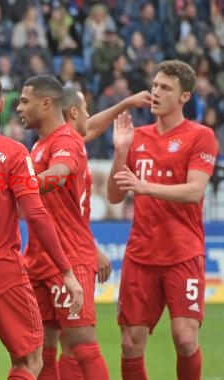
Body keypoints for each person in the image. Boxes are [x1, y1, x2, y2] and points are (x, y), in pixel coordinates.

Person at [0, 68, 83, 380]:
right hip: (0, 272)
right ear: (0, 105)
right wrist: (66, 271)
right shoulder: (12, 151)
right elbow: (35, 214)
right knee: (30, 361)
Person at [107, 60, 218, 380]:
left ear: (184, 97)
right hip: (141, 255)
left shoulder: (200, 136)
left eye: (165, 88)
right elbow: (114, 196)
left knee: (185, 338)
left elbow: (195, 191)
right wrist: (119, 153)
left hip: (183, 253)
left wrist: (144, 187)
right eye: (154, 85)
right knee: (130, 344)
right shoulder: (136, 137)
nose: (156, 92)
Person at [16, 74, 110, 380]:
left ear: (46, 104)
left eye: (24, 101)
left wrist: (20, 185)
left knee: (81, 344)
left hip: (69, 257)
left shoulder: (66, 139)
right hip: (40, 258)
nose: (19, 108)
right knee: (41, 349)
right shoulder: (39, 146)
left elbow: (59, 173)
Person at [58, 87, 152, 378]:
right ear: (73, 113)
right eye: (85, 108)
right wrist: (92, 248)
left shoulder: (67, 143)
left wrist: (122, 103)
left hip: (67, 251)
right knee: (78, 343)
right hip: (68, 255)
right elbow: (63, 214)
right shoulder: (62, 148)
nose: (89, 115)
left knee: (62, 344)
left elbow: (92, 125)